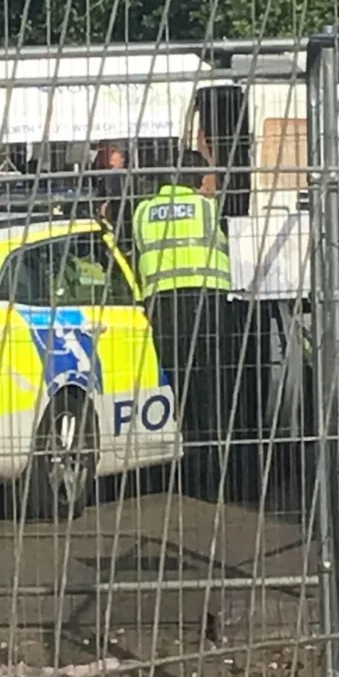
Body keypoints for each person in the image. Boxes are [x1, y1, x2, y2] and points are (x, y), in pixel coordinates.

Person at [132, 148, 232, 502]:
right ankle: (216, 478)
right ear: (196, 179)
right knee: (213, 391)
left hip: (162, 305)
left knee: (182, 390)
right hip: (207, 302)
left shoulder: (143, 211)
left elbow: (138, 252)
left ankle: (189, 473)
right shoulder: (207, 208)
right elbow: (227, 244)